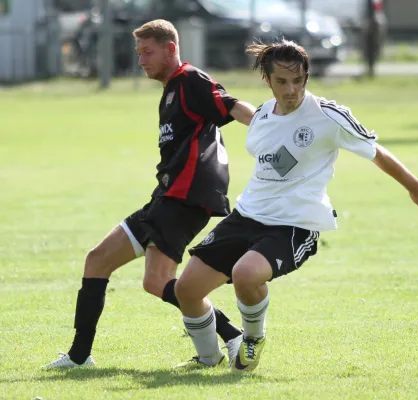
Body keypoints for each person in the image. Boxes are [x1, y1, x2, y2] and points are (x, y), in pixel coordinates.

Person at [172, 39, 418, 371]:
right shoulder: (262, 116)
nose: (292, 89)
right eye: (282, 81)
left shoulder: (327, 116)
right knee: (186, 289)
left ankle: (253, 339)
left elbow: (375, 151)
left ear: (307, 76)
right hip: (247, 215)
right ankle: (207, 358)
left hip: (295, 223)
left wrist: (413, 185)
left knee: (245, 275)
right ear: (268, 81)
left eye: (298, 80)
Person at [44, 19, 257, 369]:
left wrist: (273, 128)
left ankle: (233, 337)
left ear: (170, 48)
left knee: (155, 280)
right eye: (138, 52)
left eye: (147, 52)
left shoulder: (190, 80)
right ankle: (80, 357)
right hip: (167, 197)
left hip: (183, 199)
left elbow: (233, 106)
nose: (141, 60)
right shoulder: (171, 89)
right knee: (102, 262)